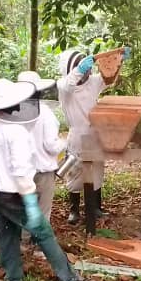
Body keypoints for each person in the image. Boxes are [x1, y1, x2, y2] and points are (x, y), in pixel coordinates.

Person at [0, 78, 97, 281]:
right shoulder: (16, 132)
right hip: (14, 194)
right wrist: (30, 200)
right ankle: (70, 279)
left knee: (7, 233)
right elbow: (20, 170)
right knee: (43, 233)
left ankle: (13, 278)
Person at [56, 48, 127, 224]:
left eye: (87, 67)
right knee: (75, 173)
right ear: (71, 69)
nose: (88, 71)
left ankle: (96, 207)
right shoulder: (65, 88)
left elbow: (108, 79)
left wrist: (119, 62)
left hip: (96, 133)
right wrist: (79, 70)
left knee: (97, 170)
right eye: (82, 67)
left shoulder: (93, 82)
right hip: (77, 136)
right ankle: (74, 210)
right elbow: (67, 84)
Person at [17, 71, 65, 226]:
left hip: (23, 171)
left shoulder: (14, 112)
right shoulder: (45, 113)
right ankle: (39, 247)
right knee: (43, 211)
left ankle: (24, 243)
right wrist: (65, 142)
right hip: (43, 172)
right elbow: (51, 145)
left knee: (27, 209)